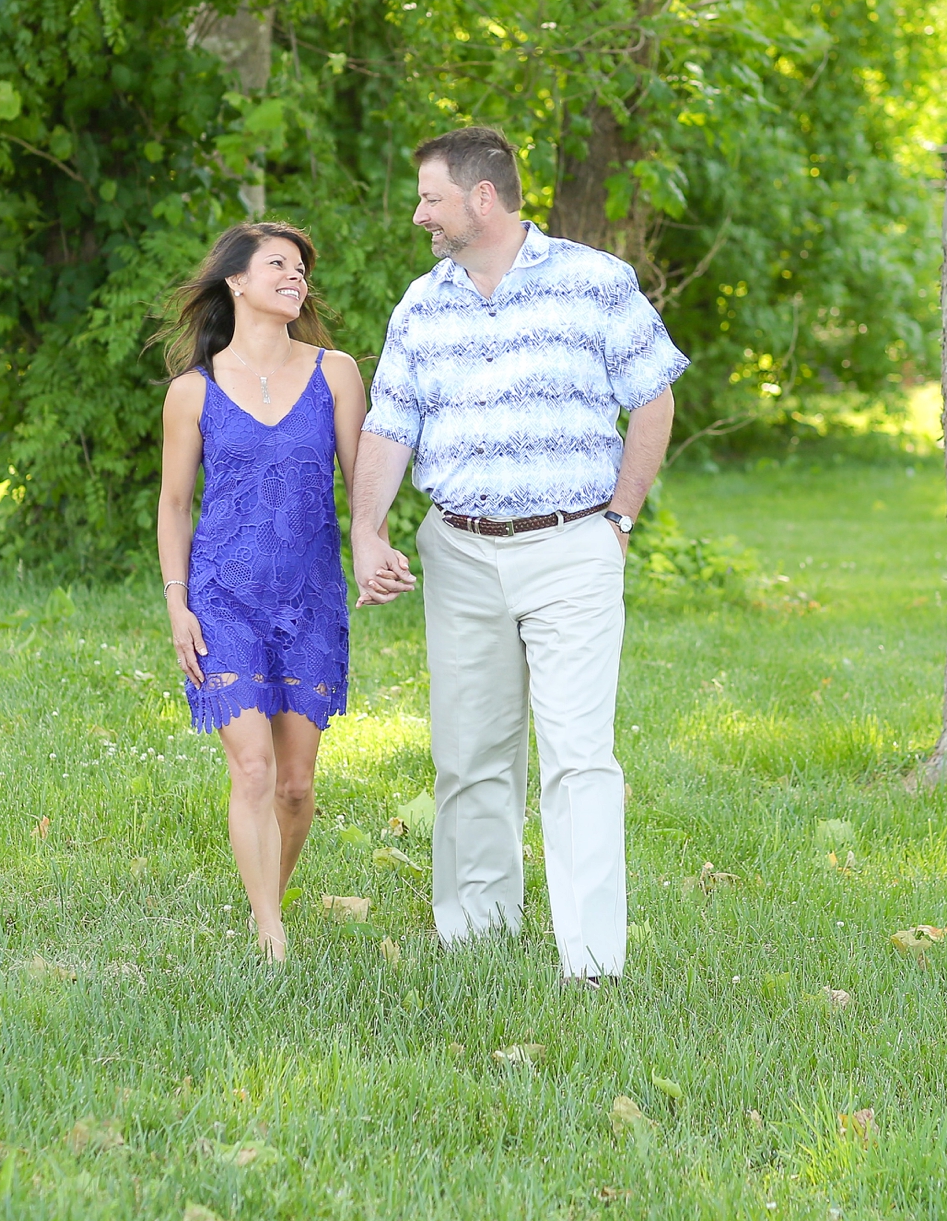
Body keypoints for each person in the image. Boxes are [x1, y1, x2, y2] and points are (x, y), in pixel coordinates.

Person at [351, 127, 688, 987]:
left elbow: (654, 396)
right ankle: (476, 940)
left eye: (430, 195)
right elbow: (390, 425)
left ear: (482, 198)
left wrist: (619, 519)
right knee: (469, 753)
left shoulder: (593, 281)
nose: (419, 212)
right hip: (460, 550)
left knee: (579, 754)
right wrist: (368, 530)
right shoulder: (421, 305)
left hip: (573, 542)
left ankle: (592, 962)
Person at [157, 222, 397, 963]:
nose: (296, 277)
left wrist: (373, 543)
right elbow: (173, 505)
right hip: (223, 597)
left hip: (310, 596)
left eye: (300, 269)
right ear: (236, 281)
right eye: (278, 265)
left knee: (294, 785)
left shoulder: (337, 372)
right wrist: (177, 603)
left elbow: (363, 485)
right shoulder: (191, 392)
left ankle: (272, 894)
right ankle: (270, 931)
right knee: (254, 768)